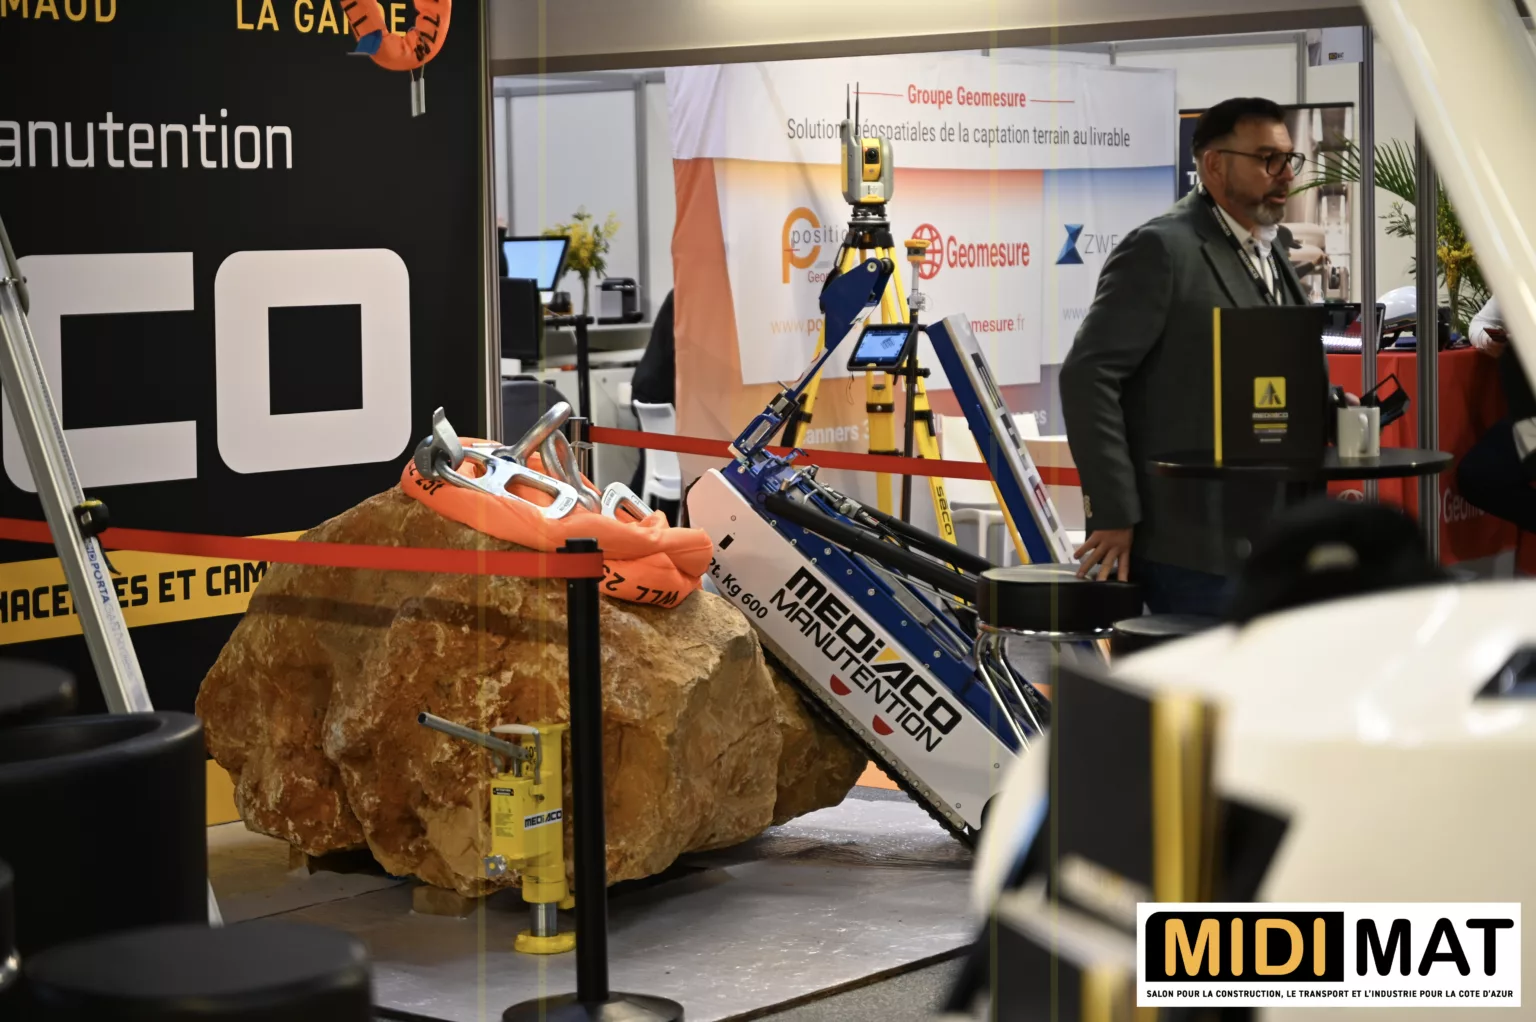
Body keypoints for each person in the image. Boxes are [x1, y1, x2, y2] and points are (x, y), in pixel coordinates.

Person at [1060, 97, 1324, 615]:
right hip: (1189, 545)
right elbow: (1089, 377)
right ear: (1214, 164)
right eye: (1267, 159)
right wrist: (1114, 513)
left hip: (1270, 534)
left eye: (1289, 158)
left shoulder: (1271, 248)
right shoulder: (1161, 250)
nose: (1286, 174)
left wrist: (1329, 405)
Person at [1456, 295, 1536, 531]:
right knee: (1477, 475)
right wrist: (1488, 341)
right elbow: (1480, 323)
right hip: (1528, 417)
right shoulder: (1519, 280)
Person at [629, 290, 678, 523]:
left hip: (649, 388)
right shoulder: (690, 294)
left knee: (651, 467)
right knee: (654, 467)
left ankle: (631, 519)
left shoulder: (683, 292)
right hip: (659, 393)